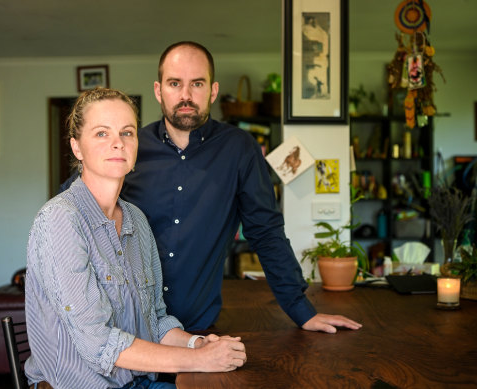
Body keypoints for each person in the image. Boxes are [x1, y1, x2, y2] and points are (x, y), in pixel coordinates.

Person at [121, 41, 362, 334]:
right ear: (159, 90)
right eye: (175, 83)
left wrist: (301, 310)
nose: (185, 95)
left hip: (198, 328)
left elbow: (265, 230)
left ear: (213, 90)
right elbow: (80, 206)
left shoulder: (240, 148)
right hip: (128, 326)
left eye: (197, 83)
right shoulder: (128, 147)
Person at [26, 88, 246, 389]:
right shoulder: (60, 220)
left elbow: (154, 320)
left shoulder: (136, 221)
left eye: (127, 132)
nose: (118, 142)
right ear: (77, 147)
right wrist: (199, 360)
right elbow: (99, 343)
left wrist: (199, 344)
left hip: (138, 382)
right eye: (102, 133)